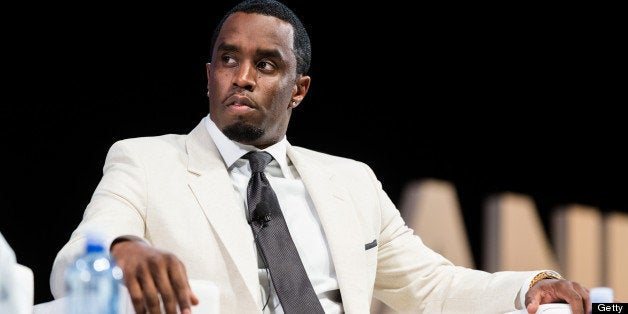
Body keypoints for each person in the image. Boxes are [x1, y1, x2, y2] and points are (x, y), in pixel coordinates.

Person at [49, 0, 591, 313]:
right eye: (227, 59)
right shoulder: (146, 161)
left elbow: (431, 286)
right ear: (208, 74)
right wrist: (122, 249)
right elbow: (77, 256)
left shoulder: (350, 181)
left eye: (265, 64)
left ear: (299, 88)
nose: (241, 77)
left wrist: (528, 287)